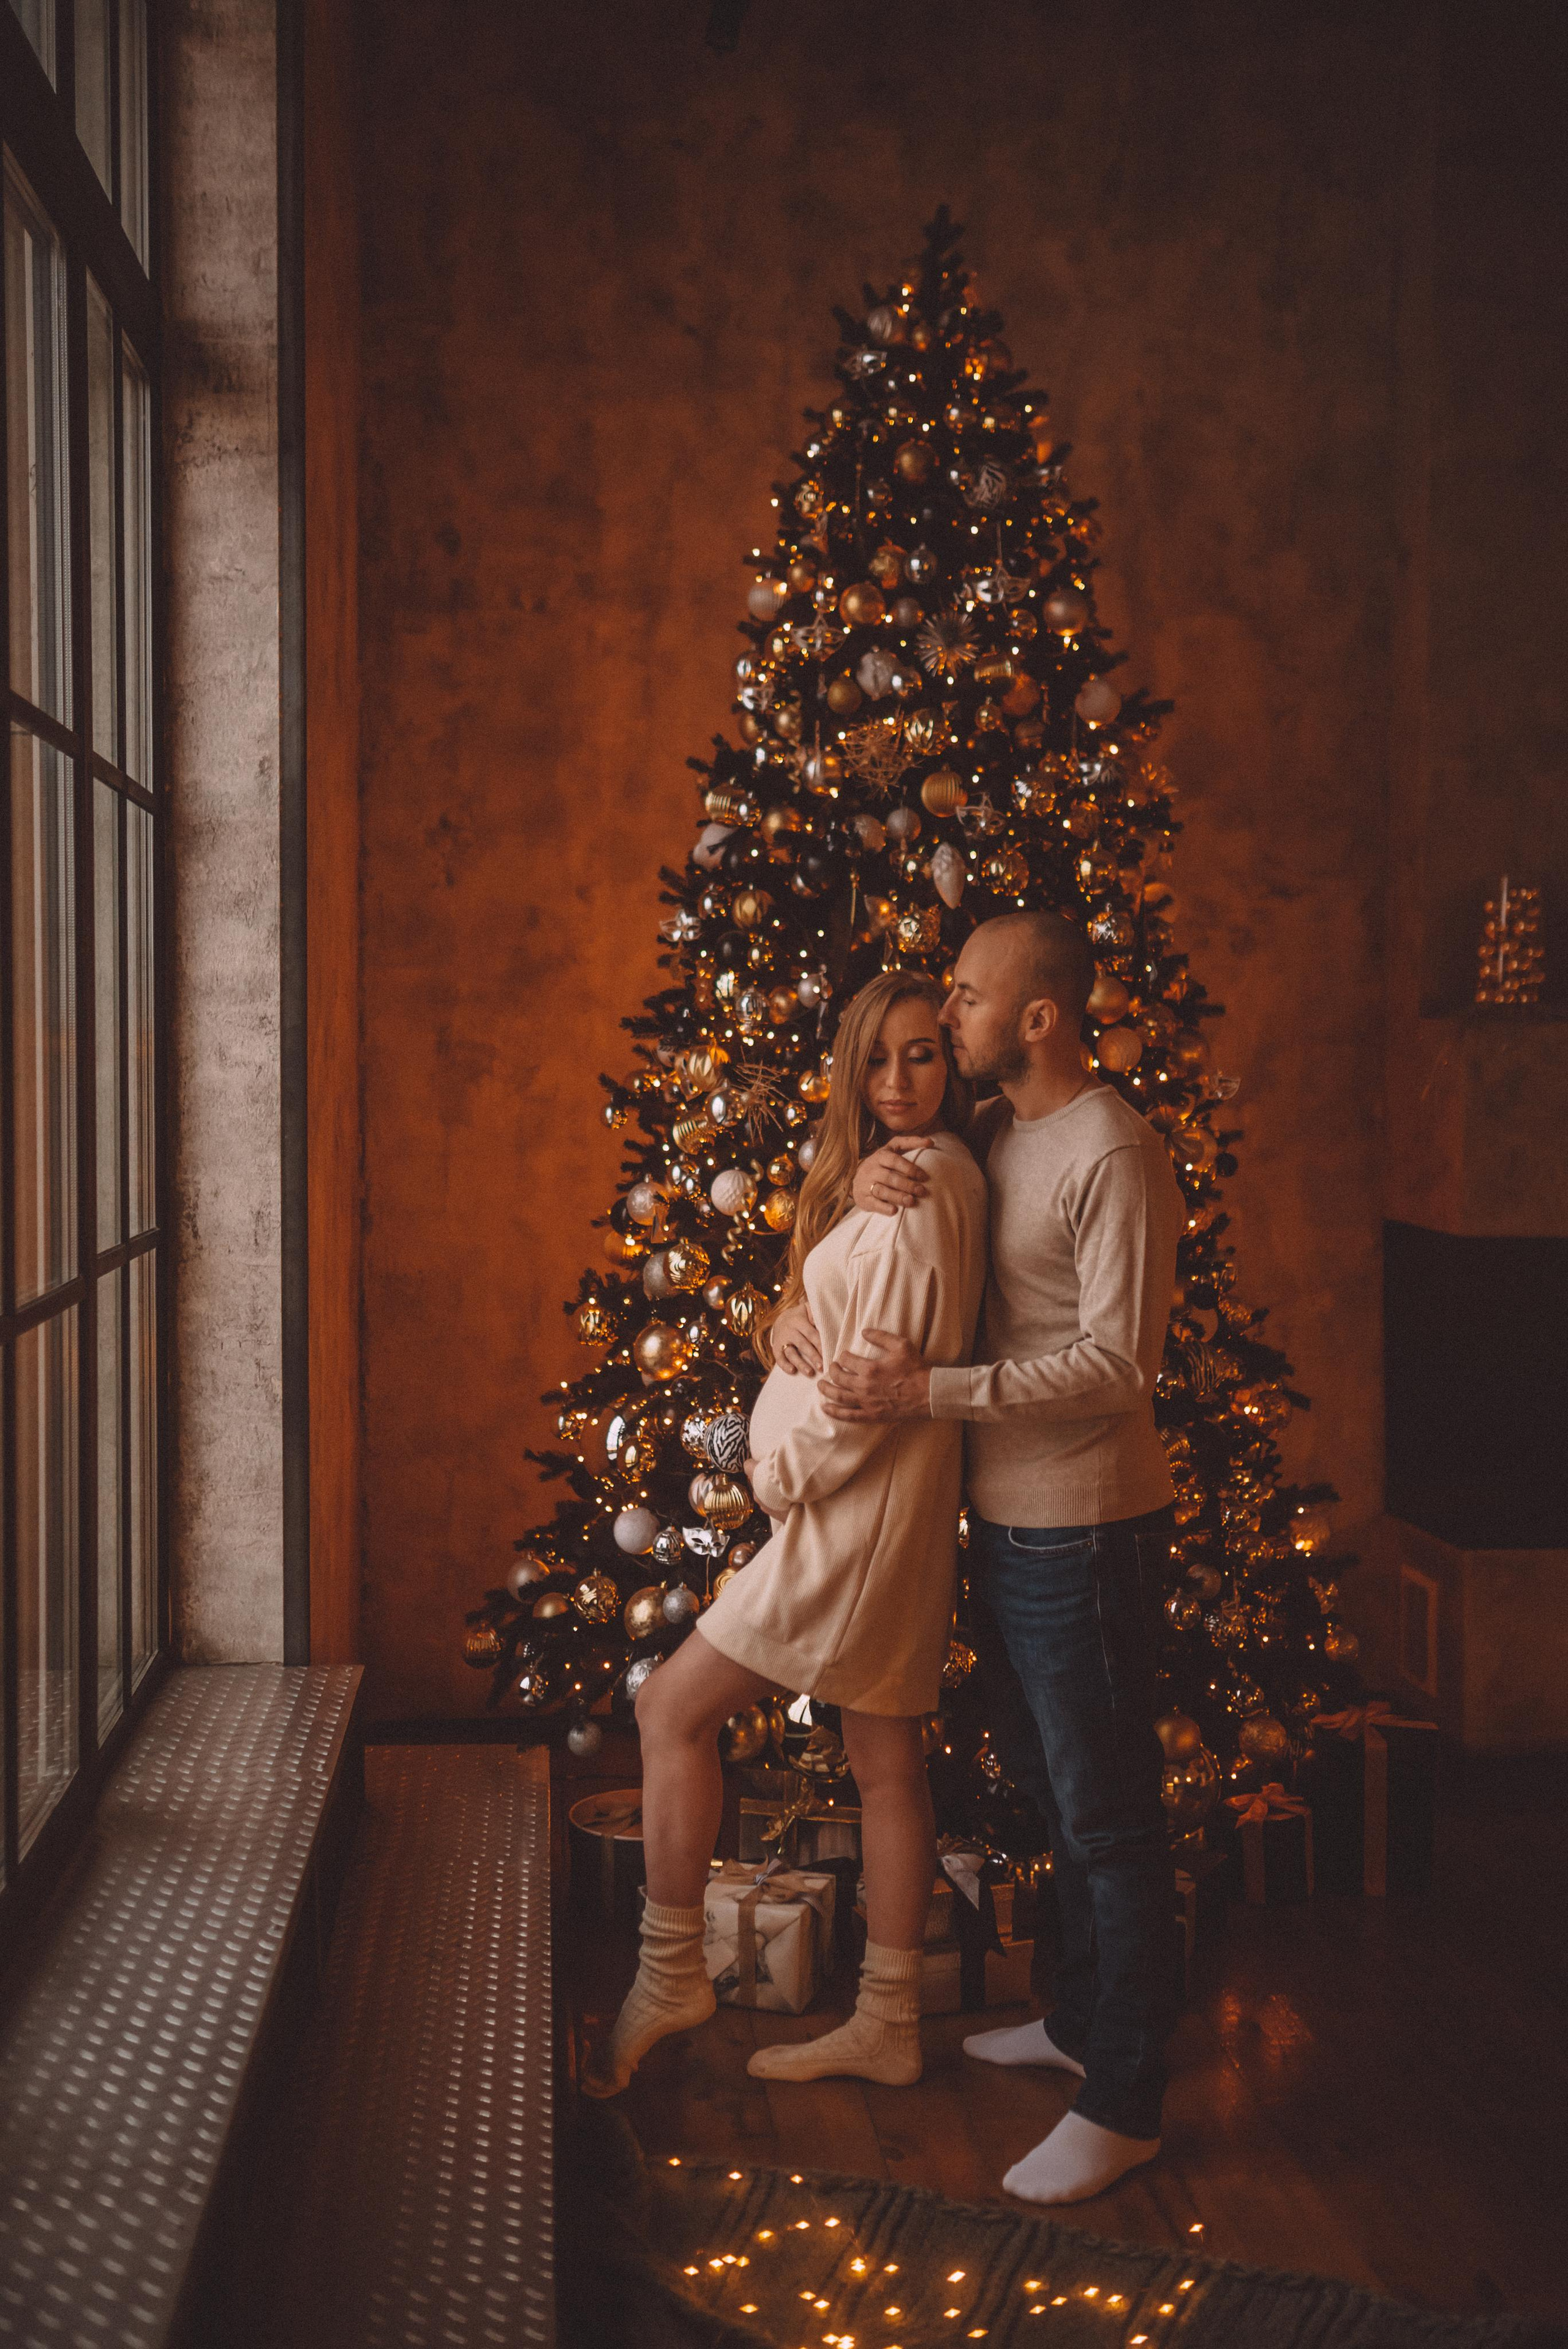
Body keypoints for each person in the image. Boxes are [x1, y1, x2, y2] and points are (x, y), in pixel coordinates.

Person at [774, 910, 1184, 2206]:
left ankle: (1125, 2102)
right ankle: (1076, 2024)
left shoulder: (1112, 1150)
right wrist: (853, 1200)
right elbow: (887, 1229)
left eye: (964, 996)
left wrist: (930, 1393)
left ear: (1038, 1017)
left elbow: (1118, 1366)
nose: (946, 1017)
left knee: (1110, 1821)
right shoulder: (995, 1131)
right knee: (1056, 1802)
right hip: (1001, 1525)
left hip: (1088, 1531)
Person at [584, 970, 989, 2099]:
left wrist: (772, 1471)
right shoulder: (904, 1174)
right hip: (878, 1519)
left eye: (924, 1053)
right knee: (887, 1765)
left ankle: (670, 1970)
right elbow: (842, 1316)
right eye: (878, 1057)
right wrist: (785, 1316)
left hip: (846, 1524)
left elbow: (870, 1389)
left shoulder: (921, 1186)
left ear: (953, 1061)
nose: (900, 1079)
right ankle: (889, 2020)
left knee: (671, 1710)